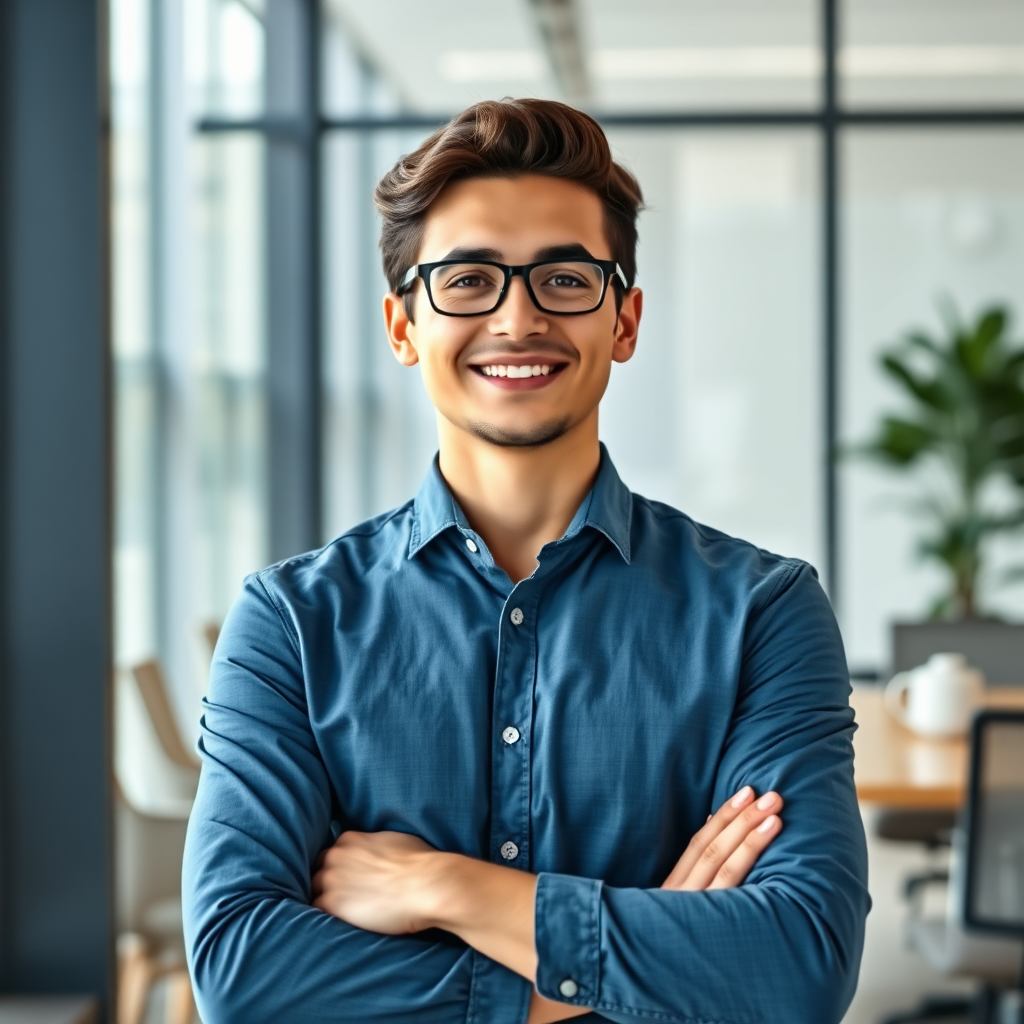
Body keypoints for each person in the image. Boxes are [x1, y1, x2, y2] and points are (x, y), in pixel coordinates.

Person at [183, 98, 869, 1024]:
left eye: (564, 278)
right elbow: (241, 971)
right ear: (402, 327)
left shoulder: (764, 611)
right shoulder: (291, 623)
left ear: (623, 322)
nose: (517, 317)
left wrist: (444, 887)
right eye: (468, 280)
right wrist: (619, 967)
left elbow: (798, 967)